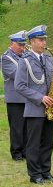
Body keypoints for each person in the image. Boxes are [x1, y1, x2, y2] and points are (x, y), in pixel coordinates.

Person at [15, 25, 53, 184]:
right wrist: (40, 98)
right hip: (35, 108)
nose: (44, 43)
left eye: (45, 40)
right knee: (34, 143)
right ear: (33, 41)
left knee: (48, 142)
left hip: (50, 108)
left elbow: (50, 83)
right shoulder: (25, 61)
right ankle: (35, 174)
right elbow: (20, 86)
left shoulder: (49, 59)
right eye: (41, 40)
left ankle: (46, 171)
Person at [1, 30, 27, 161]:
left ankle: (26, 150)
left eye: (24, 45)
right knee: (17, 127)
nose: (22, 48)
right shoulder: (6, 58)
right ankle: (17, 152)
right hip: (15, 99)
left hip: (26, 97)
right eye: (20, 45)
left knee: (27, 126)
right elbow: (17, 75)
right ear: (12, 43)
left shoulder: (24, 56)